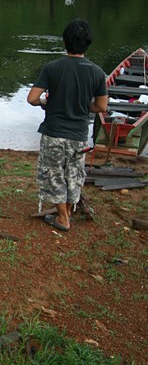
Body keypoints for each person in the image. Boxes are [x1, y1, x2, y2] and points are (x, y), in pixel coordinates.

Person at [27, 19, 107, 231]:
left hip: (54, 132)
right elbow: (101, 106)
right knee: (73, 173)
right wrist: (82, 105)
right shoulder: (97, 73)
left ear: (64, 42)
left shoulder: (52, 68)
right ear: (88, 43)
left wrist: (47, 101)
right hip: (79, 134)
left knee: (53, 173)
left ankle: (63, 218)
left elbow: (32, 98)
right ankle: (67, 211)